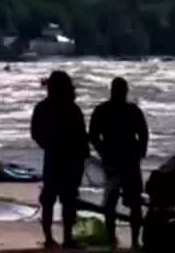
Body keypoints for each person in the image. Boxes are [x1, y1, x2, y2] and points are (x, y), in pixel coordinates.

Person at [89, 76, 149, 249]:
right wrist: (139, 152)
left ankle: (118, 238)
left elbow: (93, 136)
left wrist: (103, 152)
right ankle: (130, 240)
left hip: (119, 160)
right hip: (123, 160)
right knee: (125, 202)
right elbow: (143, 135)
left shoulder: (103, 110)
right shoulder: (131, 110)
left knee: (120, 201)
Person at [31, 70, 88, 249]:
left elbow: (35, 133)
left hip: (54, 158)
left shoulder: (43, 107)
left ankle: (49, 238)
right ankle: (67, 238)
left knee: (50, 199)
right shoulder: (72, 108)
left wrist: (48, 144)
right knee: (68, 200)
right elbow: (82, 137)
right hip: (70, 159)